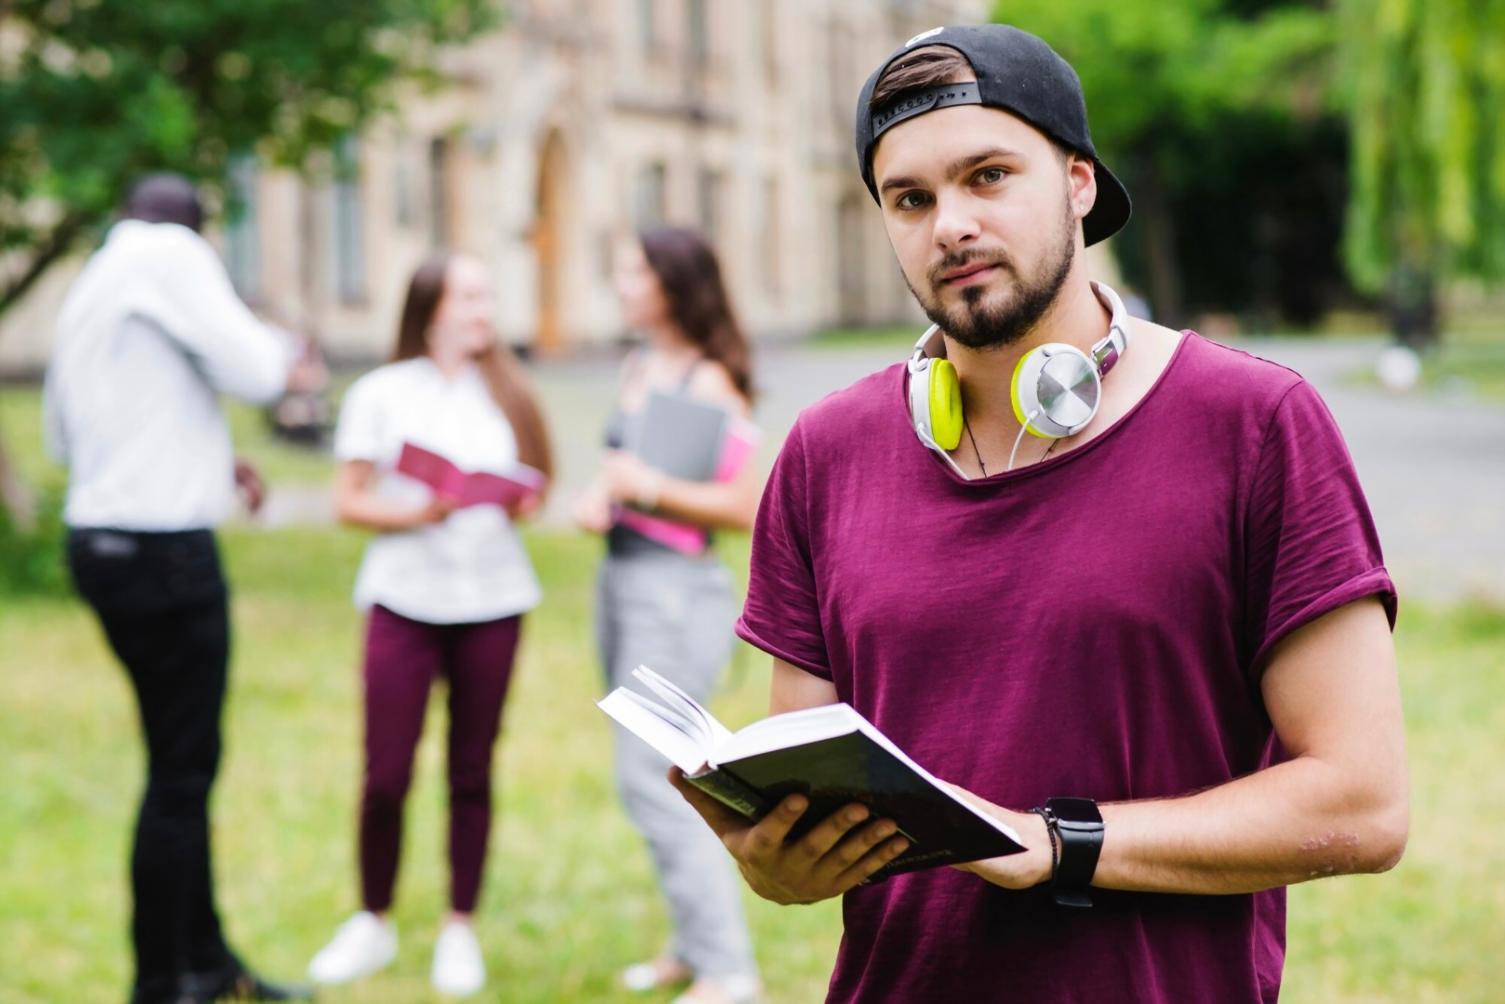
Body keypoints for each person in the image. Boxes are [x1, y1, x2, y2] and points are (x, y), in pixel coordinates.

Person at [671, 24, 1408, 1004]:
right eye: (910, 198)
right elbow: (803, 796)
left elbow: (1361, 803)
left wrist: (1051, 843)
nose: (948, 226)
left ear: (1075, 182)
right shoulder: (824, 451)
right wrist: (775, 859)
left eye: (986, 176)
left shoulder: (1255, 424)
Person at [44, 173, 324, 1004]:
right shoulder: (171, 254)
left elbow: (68, 439)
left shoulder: (90, 282)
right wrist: (285, 349)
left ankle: (207, 965)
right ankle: (165, 982)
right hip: (166, 555)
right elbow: (258, 370)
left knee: (181, 763)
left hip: (100, 544)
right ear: (197, 228)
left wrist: (201, 454)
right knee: (180, 772)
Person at [305, 251, 553, 998]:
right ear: (431, 308)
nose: (483, 311)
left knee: (470, 770)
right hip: (403, 599)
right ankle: (372, 919)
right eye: (469, 297)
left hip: (494, 600)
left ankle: (458, 926)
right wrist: (421, 511)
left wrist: (510, 498)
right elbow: (347, 501)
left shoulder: (505, 390)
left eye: (486, 297)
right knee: (385, 774)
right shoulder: (382, 393)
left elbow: (536, 487)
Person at [573, 227, 764, 1004]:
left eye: (632, 271)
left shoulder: (711, 381)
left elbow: (745, 505)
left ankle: (729, 971)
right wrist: (606, 492)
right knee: (648, 774)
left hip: (675, 593)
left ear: (672, 284)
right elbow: (623, 471)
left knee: (653, 778)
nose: (619, 283)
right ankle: (691, 946)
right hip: (621, 581)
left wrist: (642, 487)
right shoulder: (640, 365)